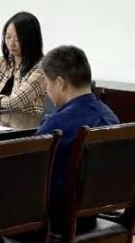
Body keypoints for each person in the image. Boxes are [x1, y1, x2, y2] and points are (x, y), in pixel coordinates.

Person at [35, 45, 119, 228]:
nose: (46, 90)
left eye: (47, 83)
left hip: (56, 219)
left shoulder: (57, 124)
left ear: (60, 83)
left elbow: (32, 171)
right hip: (94, 211)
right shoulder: (110, 116)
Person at [0, 12, 47, 115]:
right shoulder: (2, 61)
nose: (11, 44)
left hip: (25, 122)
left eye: (17, 39)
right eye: (8, 37)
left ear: (31, 40)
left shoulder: (42, 68)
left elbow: (15, 102)